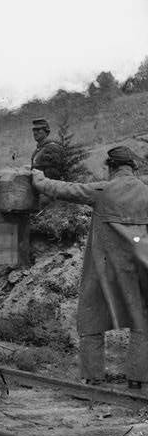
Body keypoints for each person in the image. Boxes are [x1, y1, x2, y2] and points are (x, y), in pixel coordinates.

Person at [31, 146, 148, 388]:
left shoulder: (101, 190)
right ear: (133, 168)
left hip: (103, 270)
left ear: (111, 167)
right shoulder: (145, 192)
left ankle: (94, 378)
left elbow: (62, 189)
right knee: (141, 320)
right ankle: (137, 380)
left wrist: (38, 178)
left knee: (91, 317)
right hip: (137, 268)